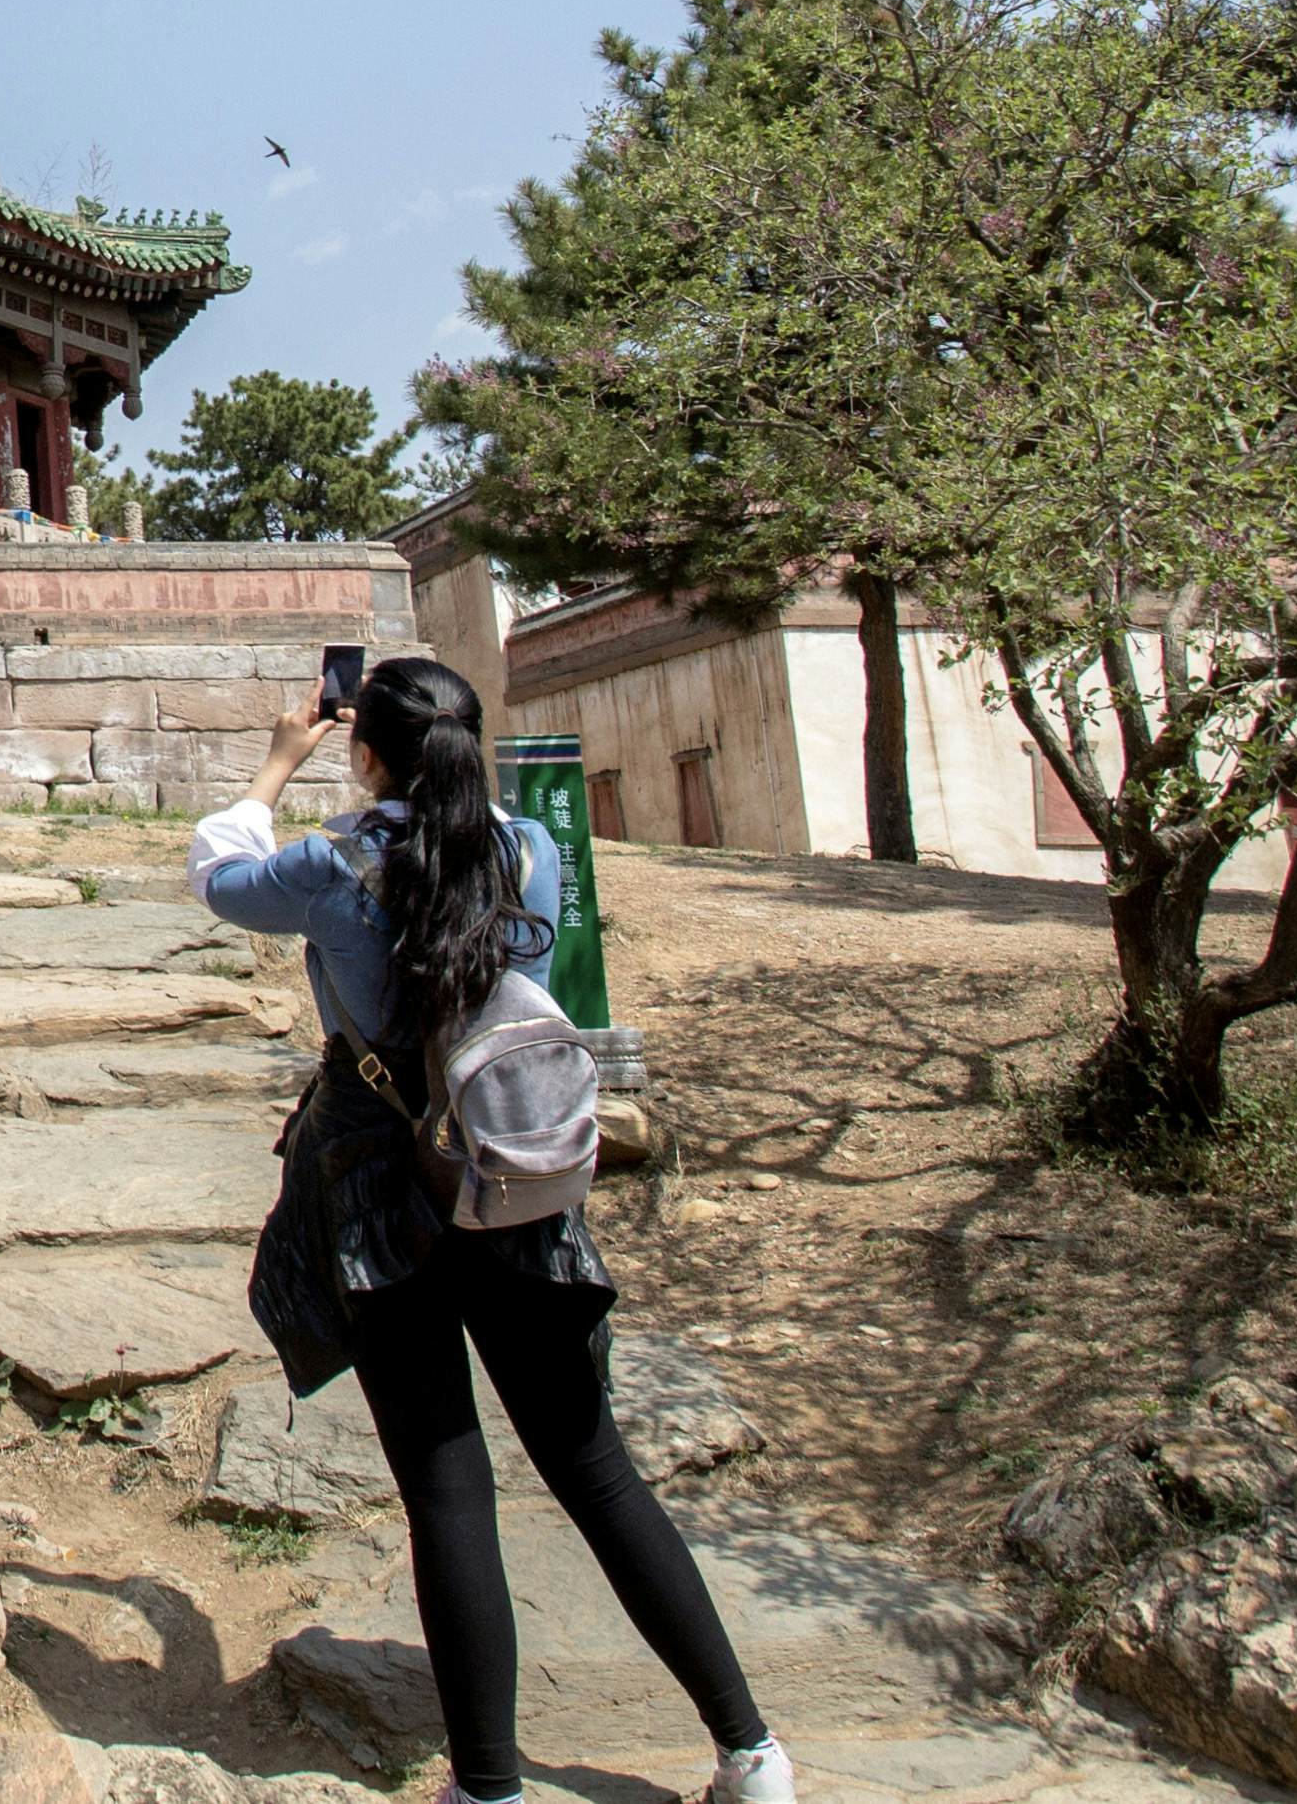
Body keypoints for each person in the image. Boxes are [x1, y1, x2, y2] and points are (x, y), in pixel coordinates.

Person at [192, 656, 789, 1804]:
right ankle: (751, 1753)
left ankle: (489, 1787)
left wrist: (274, 768)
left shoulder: (340, 862)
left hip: (382, 1180)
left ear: (365, 750)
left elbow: (220, 879)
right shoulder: (532, 851)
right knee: (597, 1469)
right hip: (515, 1173)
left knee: (448, 1492)